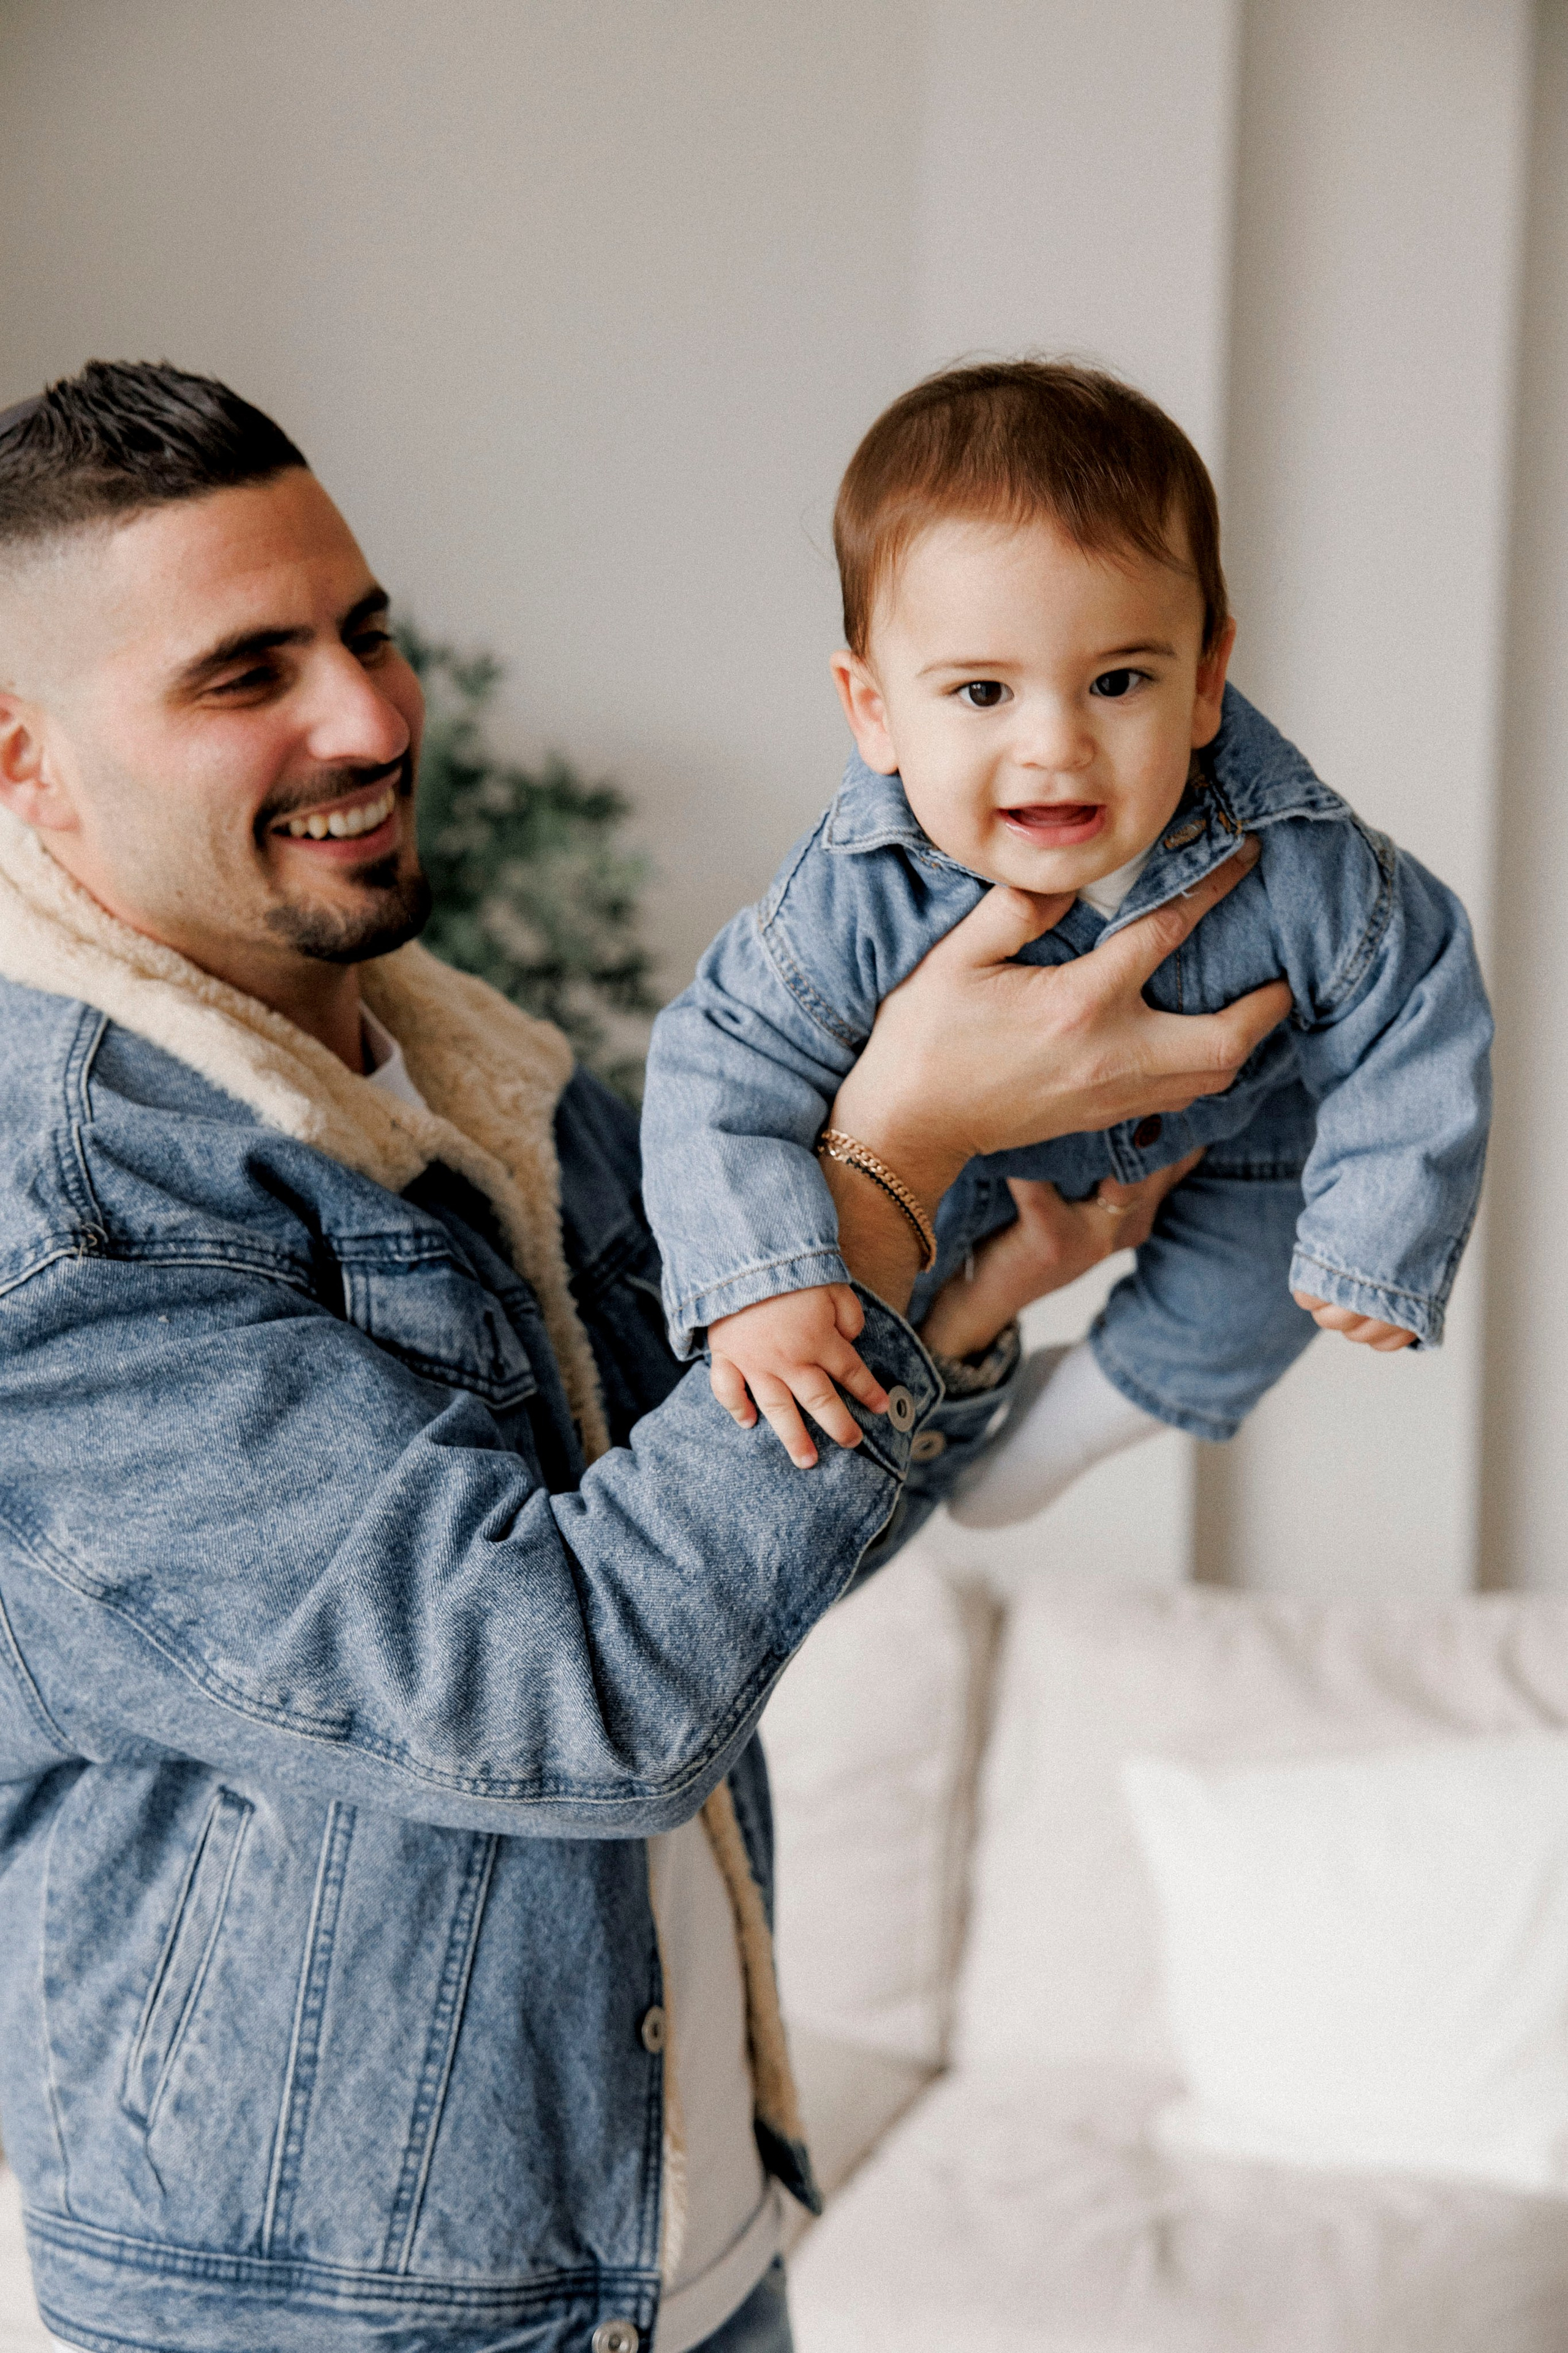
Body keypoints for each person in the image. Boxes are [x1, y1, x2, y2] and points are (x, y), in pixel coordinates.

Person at [0, 360, 1287, 2353]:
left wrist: (954, 1302)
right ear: (26, 764)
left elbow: (710, 1544)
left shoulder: (469, 1071)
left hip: (676, 2250)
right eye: (247, 674)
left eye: (366, 634)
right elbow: (575, 1696)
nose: (374, 719)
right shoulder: (66, 1229)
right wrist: (888, 1161)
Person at [641, 361, 1492, 1524]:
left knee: (1273, 1277)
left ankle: (1105, 1403)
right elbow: (718, 1066)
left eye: (1118, 680)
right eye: (983, 692)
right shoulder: (855, 895)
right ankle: (927, 1405)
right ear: (874, 710)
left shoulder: (1297, 859)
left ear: (1206, 682)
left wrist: (1382, 1225)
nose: (1055, 745)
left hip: (1233, 1141)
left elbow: (1419, 985)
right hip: (961, 1192)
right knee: (839, 1328)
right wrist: (762, 1281)